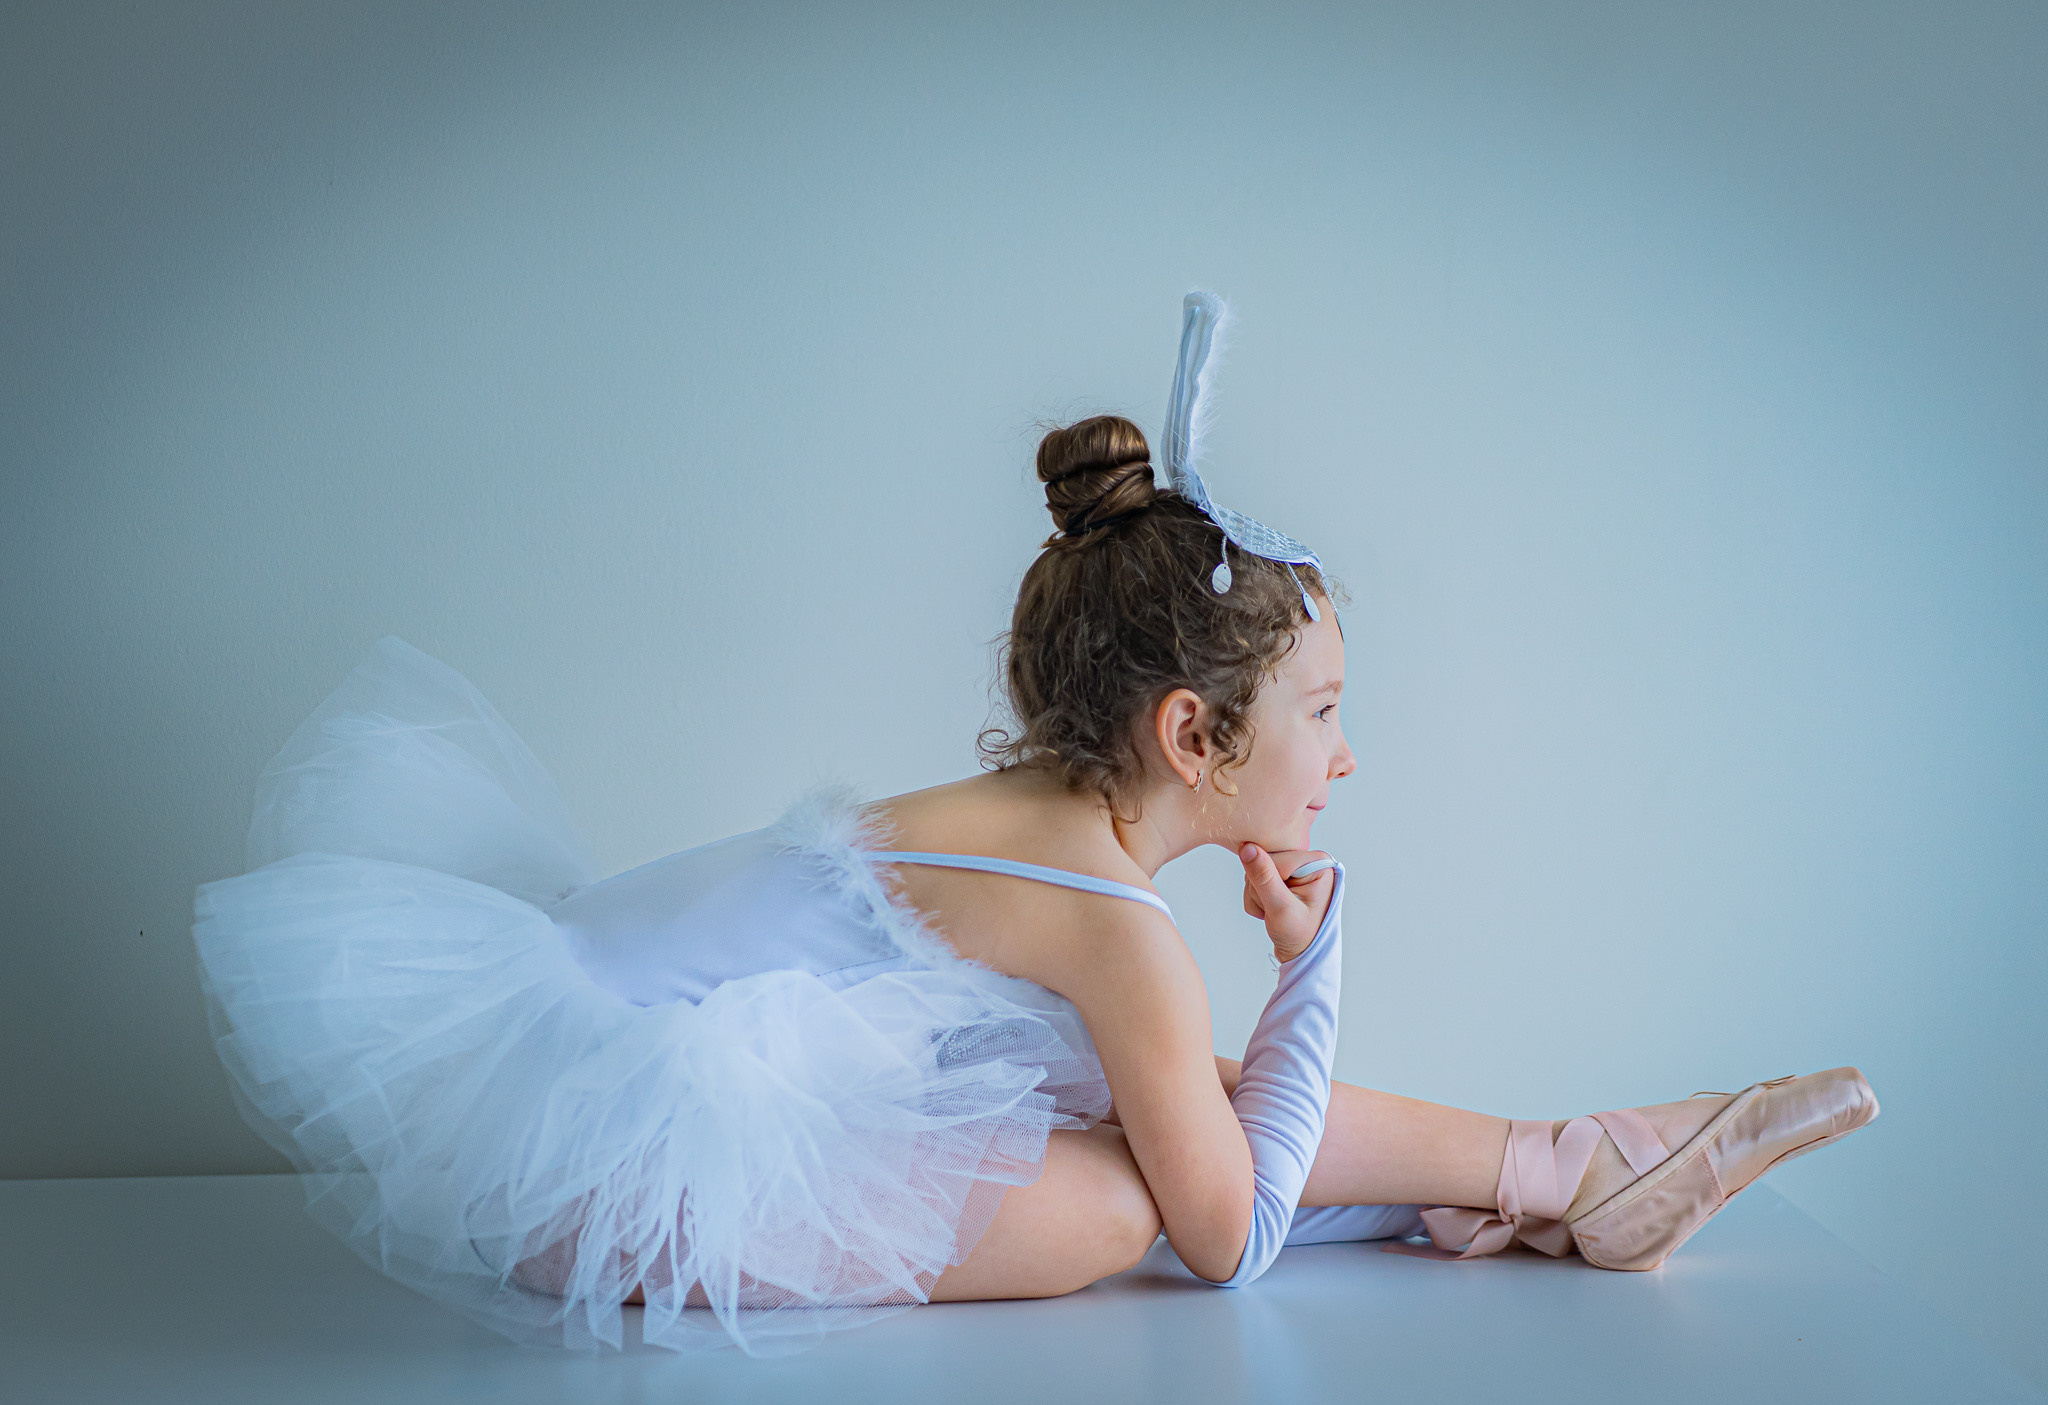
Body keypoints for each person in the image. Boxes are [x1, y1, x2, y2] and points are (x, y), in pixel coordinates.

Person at [192, 296, 1876, 1359]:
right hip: (616, 1162)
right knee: (1126, 1198)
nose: (1352, 757)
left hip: (574, 1055)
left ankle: (1562, 1165)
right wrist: (1319, 960)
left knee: (1142, 1110)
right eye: (1332, 714)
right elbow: (1225, 1246)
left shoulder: (1051, 832)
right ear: (1190, 736)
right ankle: (1555, 1174)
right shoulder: (1120, 926)